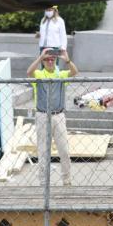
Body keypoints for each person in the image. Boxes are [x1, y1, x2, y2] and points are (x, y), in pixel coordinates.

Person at [26, 47, 79, 187]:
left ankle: (66, 181)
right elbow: (28, 72)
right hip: (42, 115)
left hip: (58, 115)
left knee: (64, 150)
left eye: (52, 59)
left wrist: (66, 59)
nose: (50, 62)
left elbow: (74, 72)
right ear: (43, 62)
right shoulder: (39, 74)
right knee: (43, 151)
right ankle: (44, 184)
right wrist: (40, 57)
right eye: (47, 59)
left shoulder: (60, 75)